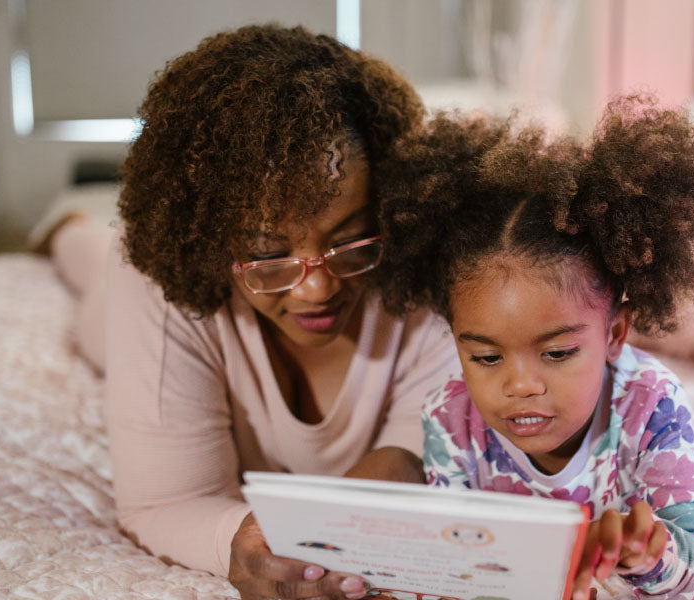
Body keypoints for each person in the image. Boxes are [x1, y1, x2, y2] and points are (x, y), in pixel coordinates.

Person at [43, 24, 460, 600]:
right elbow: (165, 502)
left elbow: (420, 448)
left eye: (350, 240)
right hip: (117, 294)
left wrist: (396, 473)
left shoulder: (427, 263)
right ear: (210, 242)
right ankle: (67, 232)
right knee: (96, 286)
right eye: (268, 254)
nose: (316, 290)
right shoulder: (158, 276)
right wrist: (240, 541)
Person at [375, 97, 694, 600]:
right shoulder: (451, 417)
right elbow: (451, 563)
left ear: (614, 335)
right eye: (486, 358)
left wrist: (648, 553)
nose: (520, 386)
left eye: (557, 353)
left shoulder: (651, 405)